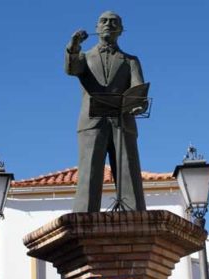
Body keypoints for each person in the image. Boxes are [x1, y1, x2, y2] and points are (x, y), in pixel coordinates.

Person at [65, 11, 147, 212]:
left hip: (122, 120)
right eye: (104, 21)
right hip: (92, 121)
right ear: (96, 27)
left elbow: (138, 89)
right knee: (89, 172)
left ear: (121, 29)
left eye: (114, 22)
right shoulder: (85, 57)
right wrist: (73, 46)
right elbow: (71, 68)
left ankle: (133, 215)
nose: (108, 24)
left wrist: (138, 104)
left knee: (128, 171)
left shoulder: (131, 61)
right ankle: (84, 216)